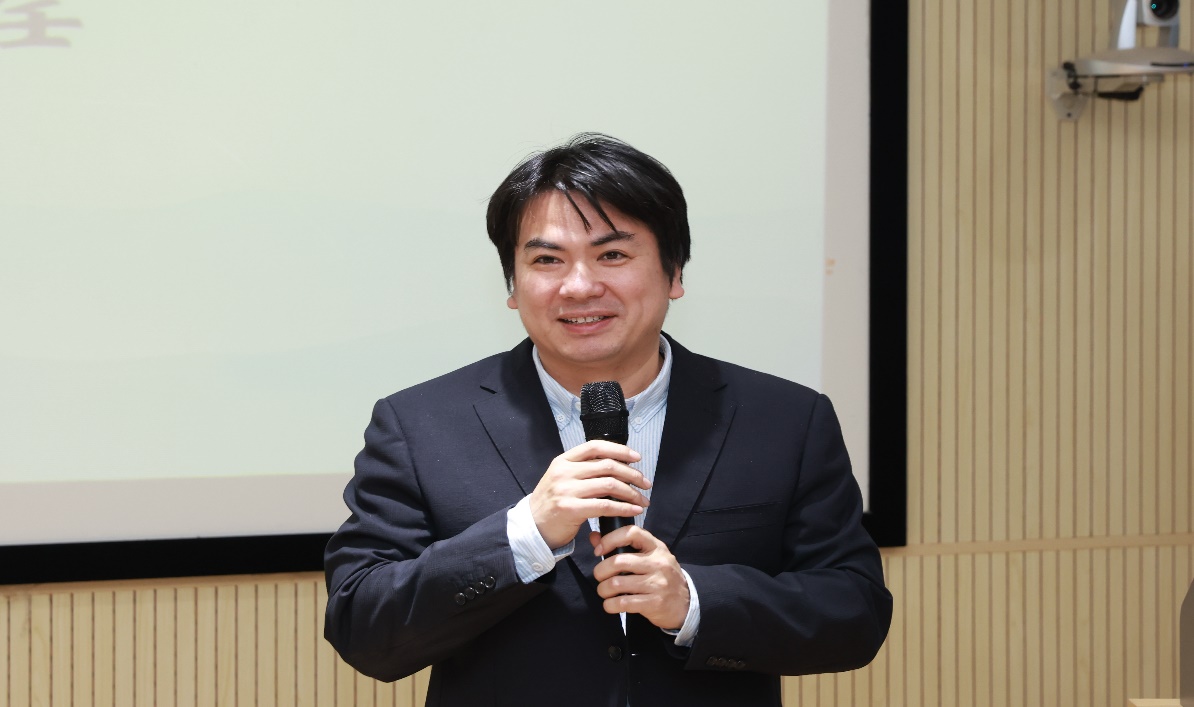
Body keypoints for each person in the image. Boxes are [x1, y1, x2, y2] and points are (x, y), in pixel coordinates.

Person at [323, 133, 892, 706]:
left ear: (674, 272)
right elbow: (363, 628)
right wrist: (525, 535)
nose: (579, 286)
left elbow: (855, 612)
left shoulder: (784, 420)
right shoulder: (419, 424)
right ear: (513, 286)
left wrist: (693, 602)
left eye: (612, 255)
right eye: (547, 260)